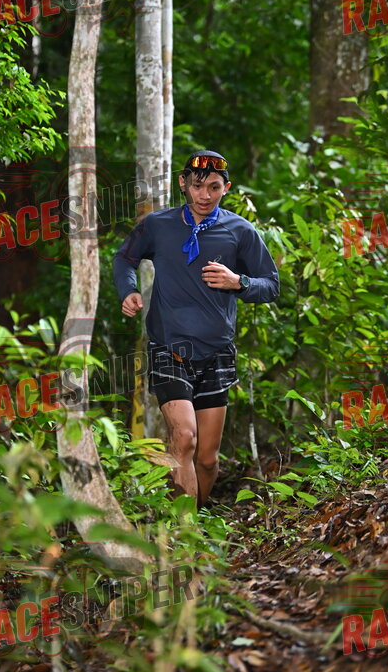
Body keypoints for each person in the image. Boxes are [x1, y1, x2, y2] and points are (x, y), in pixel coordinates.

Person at [112, 150, 279, 508]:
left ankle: (195, 521)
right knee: (184, 438)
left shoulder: (240, 231)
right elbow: (124, 258)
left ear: (226, 188)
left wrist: (239, 282)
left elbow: (271, 285)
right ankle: (181, 531)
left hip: (217, 352)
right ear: (183, 184)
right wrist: (128, 290)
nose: (205, 195)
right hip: (169, 347)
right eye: (198, 186)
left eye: (214, 187)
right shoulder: (158, 225)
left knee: (206, 459)